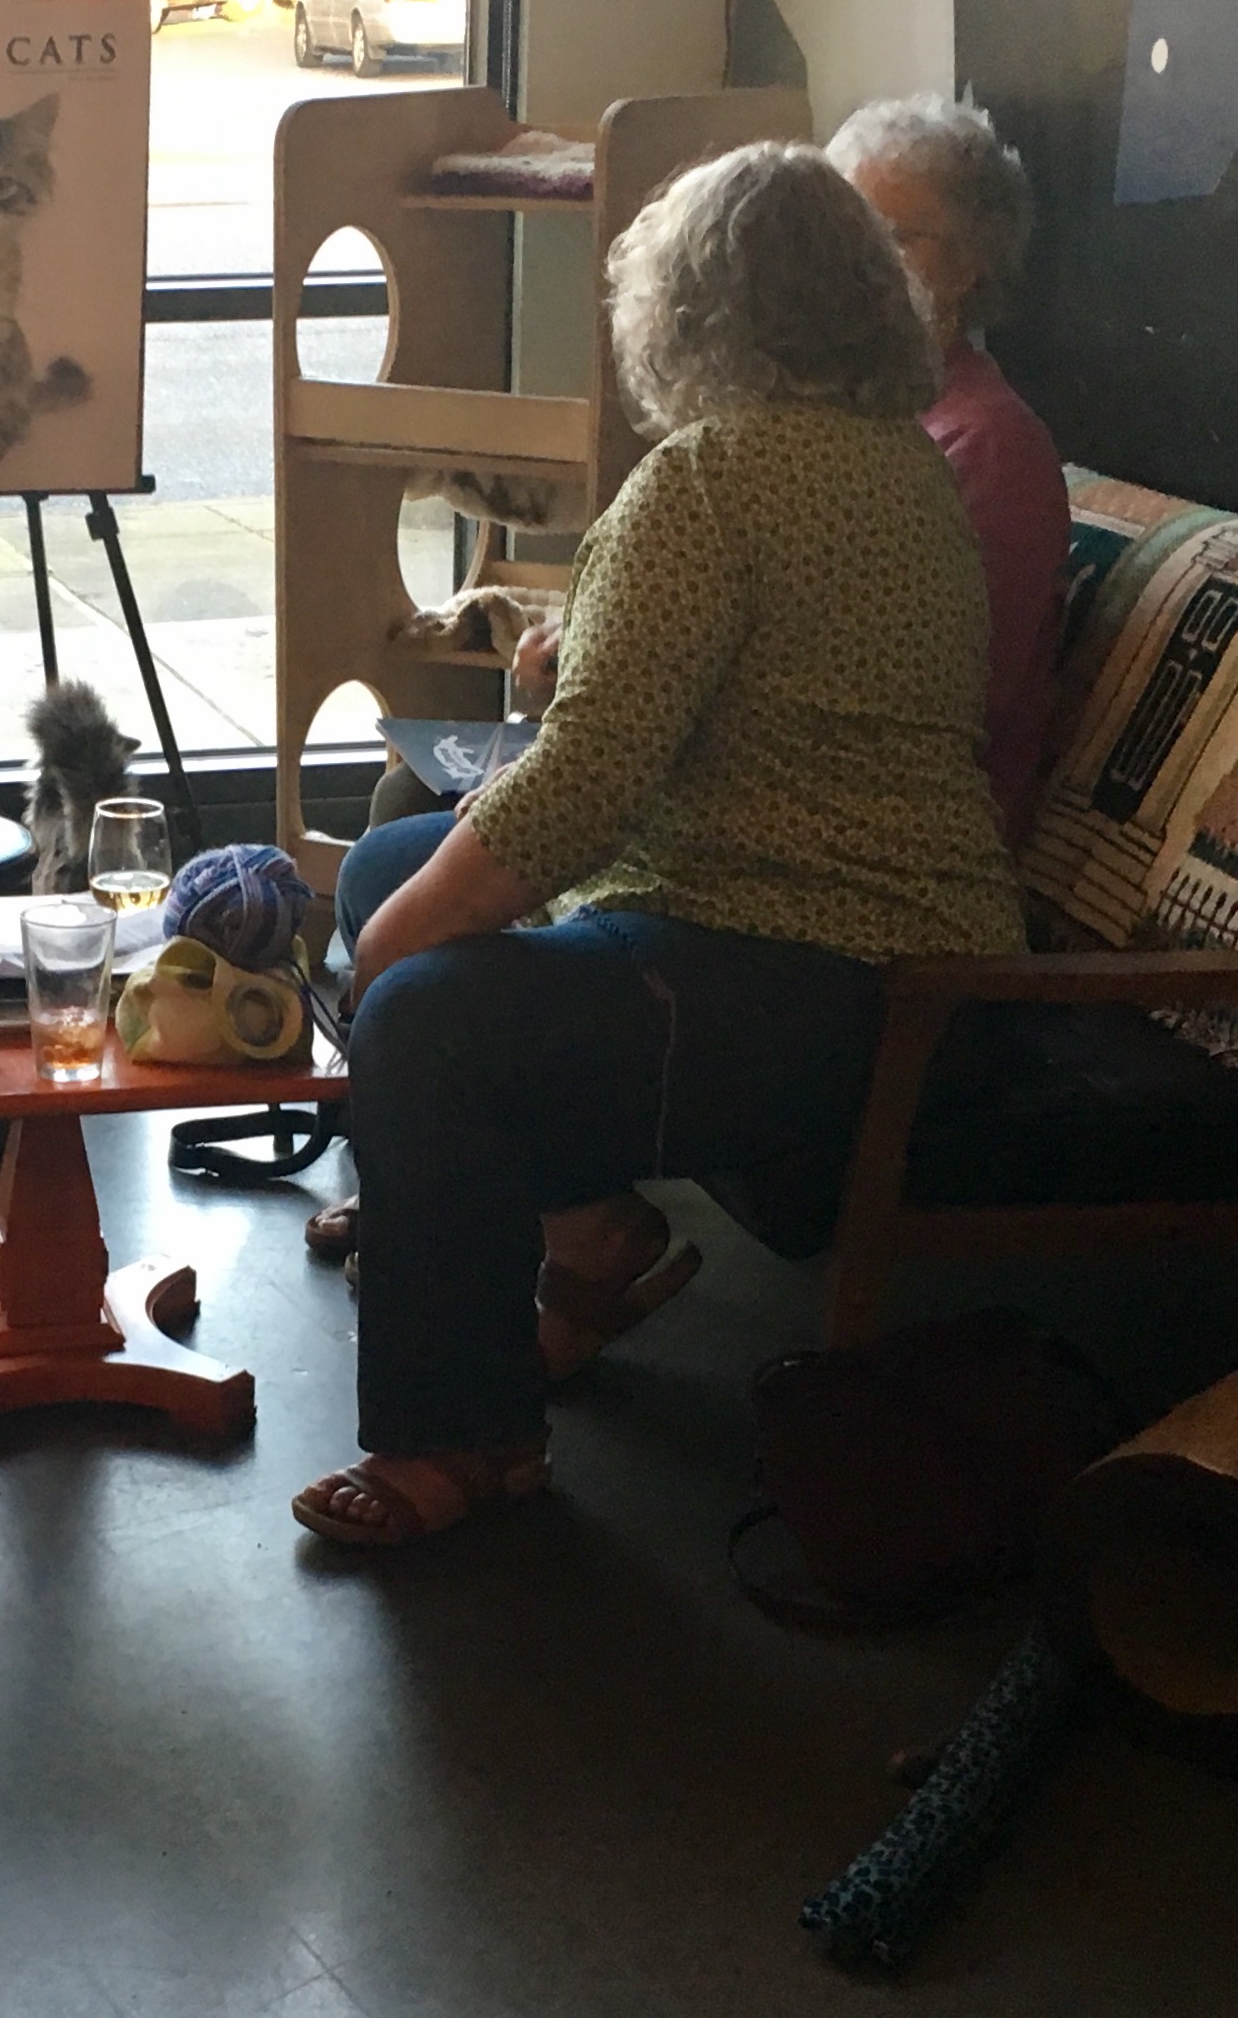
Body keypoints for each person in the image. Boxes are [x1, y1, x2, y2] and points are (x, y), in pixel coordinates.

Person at [290, 143, 1024, 1547]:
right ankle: (586, 1234)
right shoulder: (900, 465)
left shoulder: (705, 478)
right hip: (898, 969)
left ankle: (467, 1435)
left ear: (685, 311)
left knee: (424, 1010)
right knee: (391, 866)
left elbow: (584, 784)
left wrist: (386, 955)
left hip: (821, 983)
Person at [826, 93, 1069, 846]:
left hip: (901, 844)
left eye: (889, 238)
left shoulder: (990, 448)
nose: (852, 269)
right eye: (839, 235)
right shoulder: (850, 417)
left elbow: (934, 706)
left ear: (967, 265)